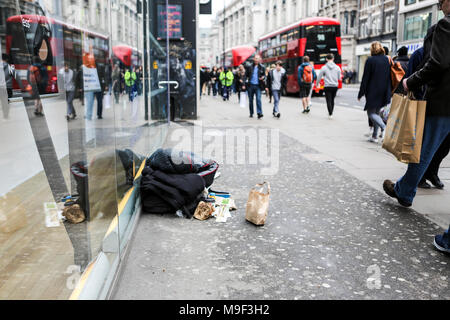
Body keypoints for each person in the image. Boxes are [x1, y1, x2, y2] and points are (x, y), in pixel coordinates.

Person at [384, 0, 450, 253]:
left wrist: (411, 80)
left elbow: (437, 63)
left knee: (424, 150)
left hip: (444, 101)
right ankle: (406, 188)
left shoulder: (444, 26)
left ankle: (405, 190)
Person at [358, 42, 391, 143]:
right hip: (384, 90)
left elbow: (365, 78)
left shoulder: (370, 60)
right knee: (376, 113)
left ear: (372, 49)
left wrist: (361, 93)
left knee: (371, 113)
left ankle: (383, 127)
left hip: (373, 90)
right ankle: (374, 136)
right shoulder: (386, 59)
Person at [316, 53, 341, 119]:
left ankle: (330, 114)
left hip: (327, 86)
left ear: (326, 59)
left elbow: (319, 77)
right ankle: (331, 112)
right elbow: (339, 78)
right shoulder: (337, 67)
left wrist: (317, 84)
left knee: (328, 100)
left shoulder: (324, 67)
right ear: (333, 58)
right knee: (332, 100)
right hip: (335, 86)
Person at [245, 54, 266, 119]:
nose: (256, 60)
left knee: (258, 99)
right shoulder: (249, 66)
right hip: (250, 86)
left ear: (259, 60)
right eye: (255, 58)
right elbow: (246, 76)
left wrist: (263, 77)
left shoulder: (262, 67)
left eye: (258, 58)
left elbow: (264, 76)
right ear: (254, 59)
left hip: (258, 86)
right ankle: (251, 113)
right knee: (251, 100)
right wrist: (244, 84)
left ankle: (259, 113)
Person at [1, 53, 15, 119]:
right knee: (6, 101)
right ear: (7, 59)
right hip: (7, 87)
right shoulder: (10, 67)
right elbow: (15, 76)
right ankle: (5, 115)